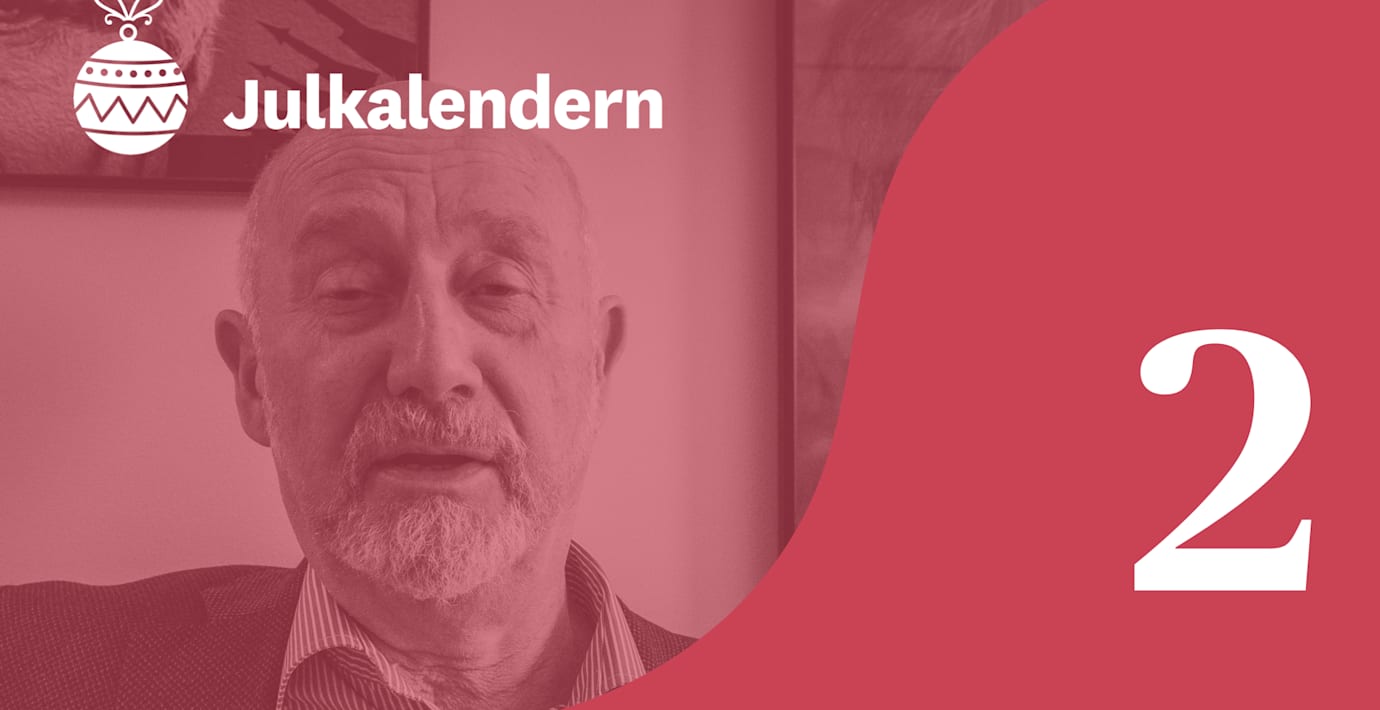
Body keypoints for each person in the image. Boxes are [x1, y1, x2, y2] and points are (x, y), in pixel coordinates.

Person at [0, 101, 693, 709]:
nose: (432, 367)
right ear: (254, 381)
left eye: (499, 288)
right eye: (350, 289)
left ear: (597, 365)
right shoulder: (24, 663)